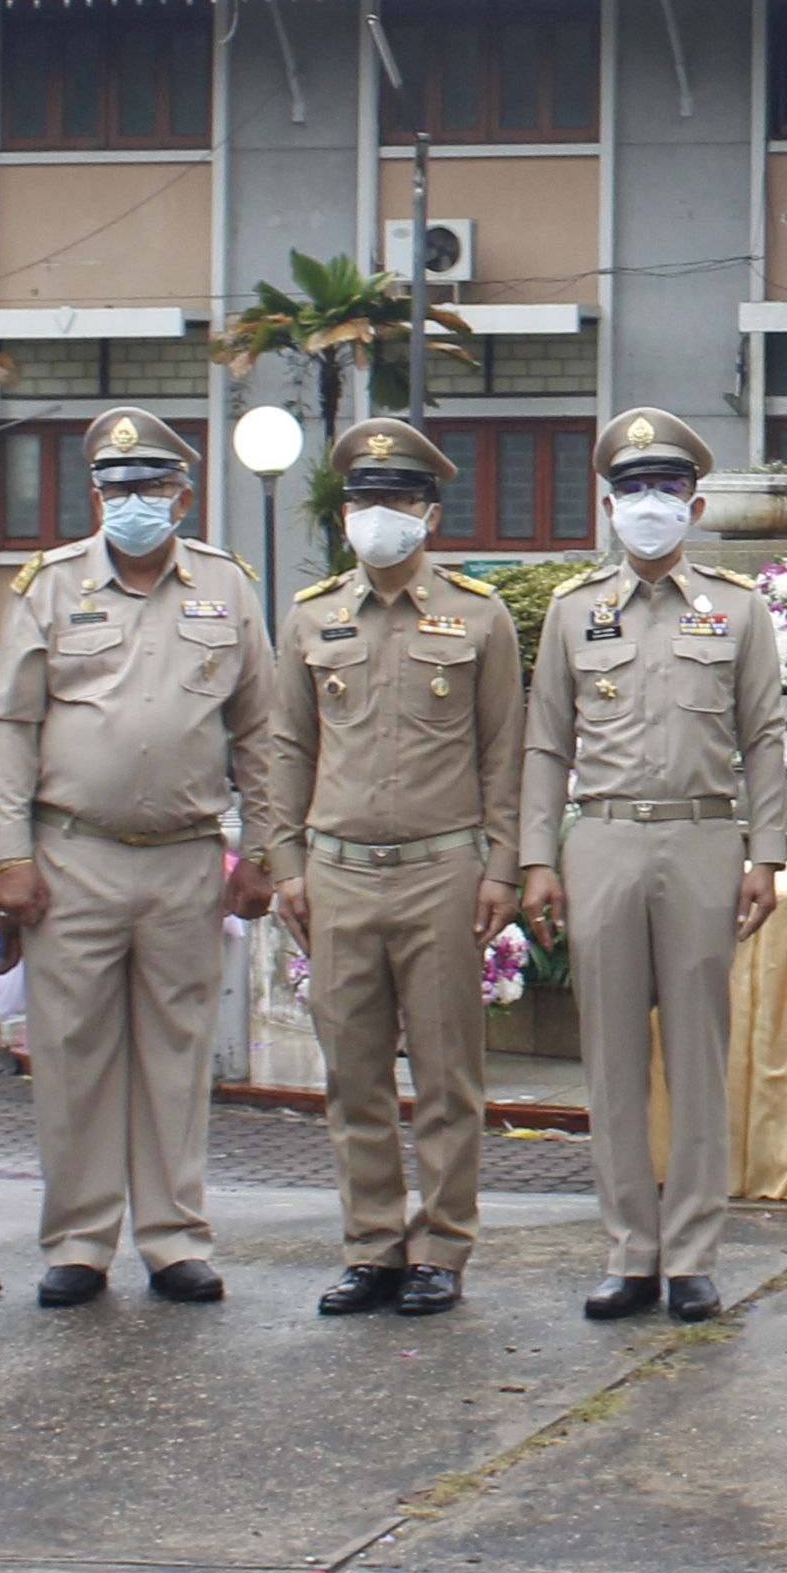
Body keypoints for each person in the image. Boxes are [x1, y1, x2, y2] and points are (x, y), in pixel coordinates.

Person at [0, 409, 278, 1308]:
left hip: (189, 856)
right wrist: (10, 856)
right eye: (120, 490)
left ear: (184, 495)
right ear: (96, 497)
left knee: (177, 1056)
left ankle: (174, 1235)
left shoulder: (227, 588)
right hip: (75, 854)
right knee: (72, 1054)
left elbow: (260, 730)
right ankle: (78, 1240)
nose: (137, 503)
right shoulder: (49, 584)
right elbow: (11, 727)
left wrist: (264, 850)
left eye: (153, 488)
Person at [252, 417, 523, 1317]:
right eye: (365, 501)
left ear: (430, 514)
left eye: (398, 501)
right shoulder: (310, 618)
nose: (380, 516)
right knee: (353, 1071)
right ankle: (372, 1244)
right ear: (345, 520)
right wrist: (284, 861)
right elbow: (284, 747)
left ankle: (443, 1245)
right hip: (335, 871)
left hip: (441, 870)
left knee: (448, 1073)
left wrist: (503, 869)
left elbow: (504, 754)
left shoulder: (479, 618)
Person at [519, 409, 785, 1325]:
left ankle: (696, 1253)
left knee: (700, 1054)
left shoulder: (736, 608)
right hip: (601, 839)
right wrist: (534, 858)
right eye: (632, 490)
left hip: (706, 838)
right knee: (613, 1059)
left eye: (665, 490)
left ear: (695, 503)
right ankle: (631, 1249)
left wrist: (766, 853)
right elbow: (545, 745)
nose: (648, 506)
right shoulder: (569, 613)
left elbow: (763, 736)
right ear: (607, 505)